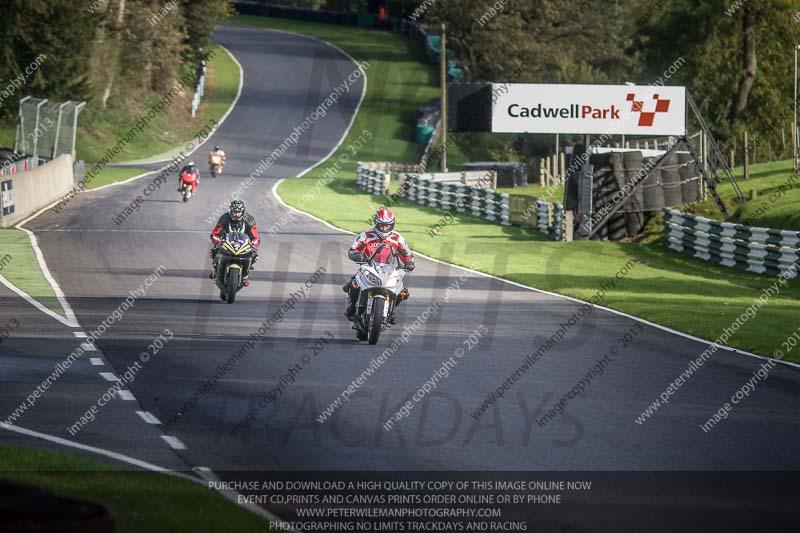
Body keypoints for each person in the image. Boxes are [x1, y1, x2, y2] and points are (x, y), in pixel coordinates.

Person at [344, 208, 415, 323]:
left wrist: (410, 263)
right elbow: (353, 250)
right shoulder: (366, 235)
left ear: (392, 224)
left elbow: (408, 254)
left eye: (387, 226)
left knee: (403, 292)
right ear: (376, 223)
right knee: (353, 285)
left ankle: (390, 311)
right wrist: (357, 256)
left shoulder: (398, 238)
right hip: (369, 267)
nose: (384, 228)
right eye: (381, 225)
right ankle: (352, 307)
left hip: (390, 269)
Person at [209, 200, 260, 286]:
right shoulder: (224, 218)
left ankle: (245, 276)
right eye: (235, 212)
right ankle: (215, 269)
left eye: (239, 212)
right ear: (231, 211)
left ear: (242, 212)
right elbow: (214, 234)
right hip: (226, 243)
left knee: (255, 255)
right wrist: (218, 241)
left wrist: (253, 245)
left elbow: (256, 237)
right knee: (213, 251)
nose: (236, 214)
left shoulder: (249, 219)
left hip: (243, 244)